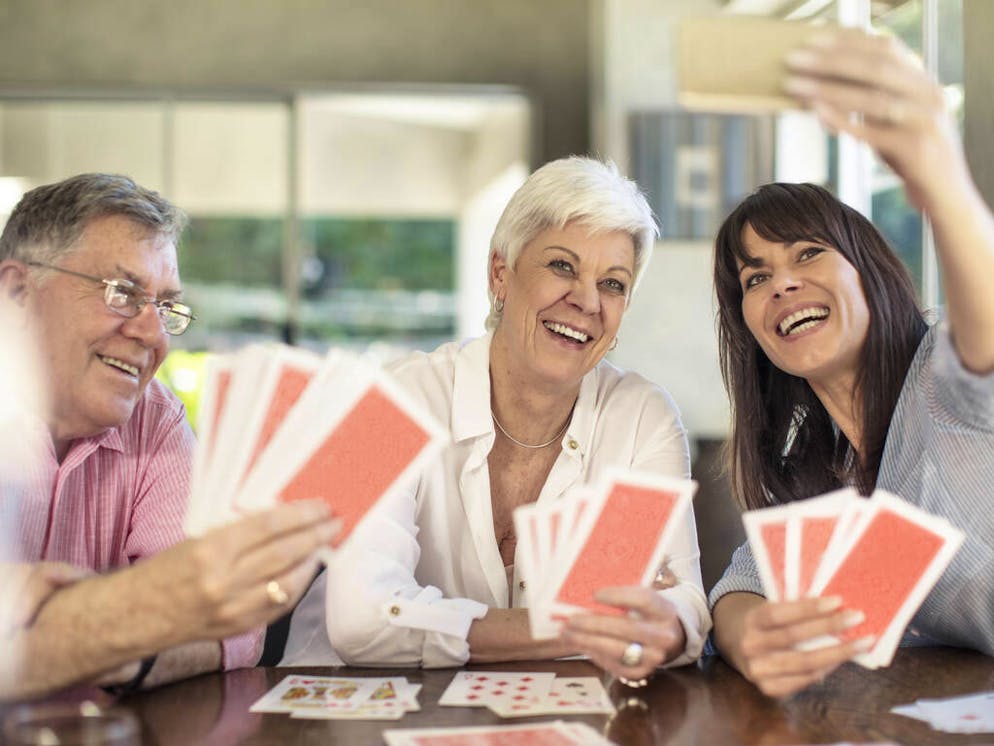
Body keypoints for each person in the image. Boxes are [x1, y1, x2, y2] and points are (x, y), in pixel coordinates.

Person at [282, 156, 711, 680]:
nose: (586, 300)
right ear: (500, 274)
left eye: (614, 284)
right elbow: (363, 623)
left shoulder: (641, 418)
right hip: (347, 712)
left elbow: (685, 606)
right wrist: (579, 627)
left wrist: (667, 622)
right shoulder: (389, 398)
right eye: (562, 266)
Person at [708, 29, 994, 698]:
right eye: (755, 278)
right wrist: (755, 643)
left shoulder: (944, 380)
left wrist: (939, 174)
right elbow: (740, 590)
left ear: (868, 272)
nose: (780, 284)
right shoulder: (817, 472)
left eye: (807, 254)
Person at [0, 173, 338, 700]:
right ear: (18, 292)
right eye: (121, 293)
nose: (154, 335)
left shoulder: (155, 416)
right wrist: (145, 615)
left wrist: (101, 638)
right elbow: (181, 605)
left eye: (166, 306)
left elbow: (230, 624)